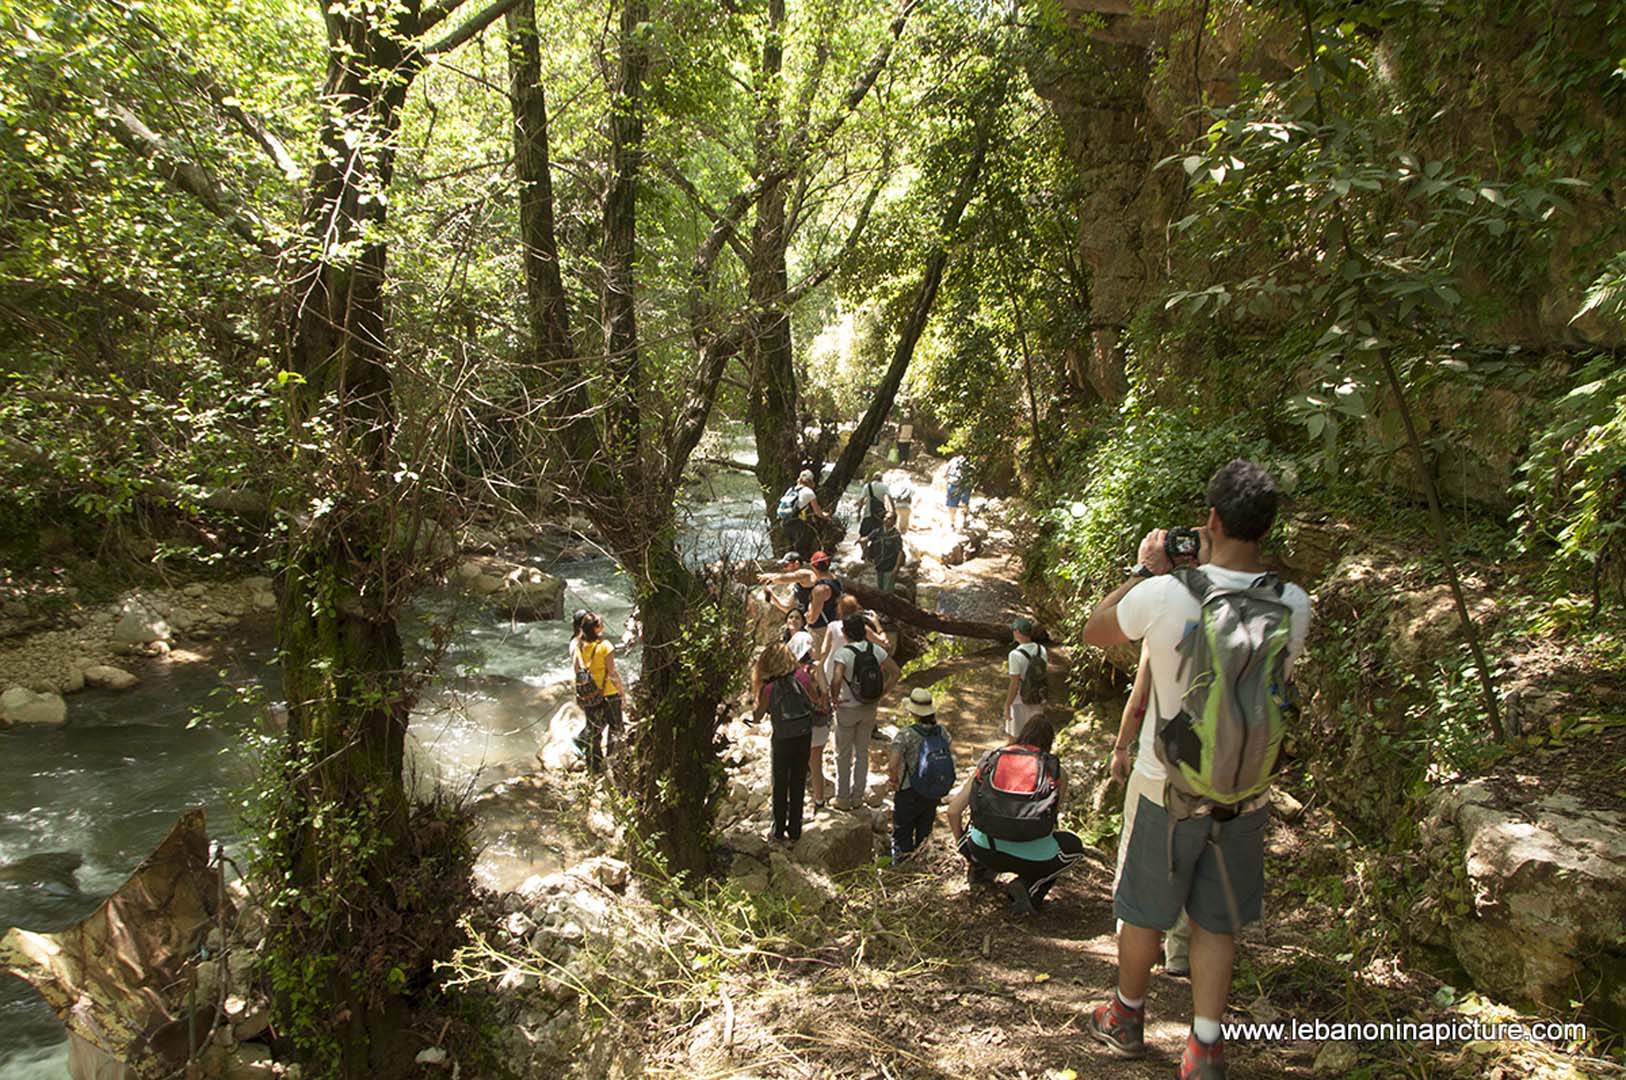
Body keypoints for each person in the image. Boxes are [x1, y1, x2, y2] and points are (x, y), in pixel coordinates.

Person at [1081, 459, 1311, 1080]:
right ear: (1267, 527)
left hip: (1167, 785)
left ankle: (1127, 1017)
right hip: (1245, 794)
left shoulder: (1169, 593)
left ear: (1210, 519)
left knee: (1144, 910)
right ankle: (1204, 1047)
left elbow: (1094, 631)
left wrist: (1146, 569)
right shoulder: (1293, 603)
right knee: (1216, 920)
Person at [948, 715, 1087, 914]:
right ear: (1049, 742)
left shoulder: (991, 761)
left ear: (1022, 735)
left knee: (977, 833)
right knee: (1074, 848)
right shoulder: (1056, 772)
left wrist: (964, 847)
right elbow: (1050, 821)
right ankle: (1028, 887)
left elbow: (953, 811)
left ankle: (980, 868)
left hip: (983, 849)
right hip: (1031, 858)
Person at [1117, 648, 1190, 977]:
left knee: (1136, 846)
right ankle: (1179, 951)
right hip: (1211, 772)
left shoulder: (1166, 611)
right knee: (1189, 857)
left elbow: (1140, 698)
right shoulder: (1246, 617)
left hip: (1155, 766)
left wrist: (1121, 747)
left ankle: (1131, 935)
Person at [828, 612, 901, 810]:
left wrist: (834, 699)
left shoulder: (843, 653)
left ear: (845, 633)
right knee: (862, 752)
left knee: (843, 754)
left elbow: (836, 679)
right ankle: (858, 797)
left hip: (847, 708)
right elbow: (896, 673)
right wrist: (882, 693)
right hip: (869, 707)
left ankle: (842, 798)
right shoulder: (875, 650)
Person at [750, 643, 822, 843]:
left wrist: (757, 695)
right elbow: (815, 702)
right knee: (798, 780)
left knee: (780, 782)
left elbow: (757, 717)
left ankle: (779, 829)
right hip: (803, 734)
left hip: (782, 737)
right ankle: (796, 829)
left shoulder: (769, 687)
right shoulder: (802, 678)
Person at [887, 688, 954, 864]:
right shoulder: (942, 732)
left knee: (902, 831)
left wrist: (893, 780)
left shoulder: (906, 734)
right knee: (925, 830)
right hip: (932, 789)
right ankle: (922, 863)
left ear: (912, 712)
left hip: (908, 789)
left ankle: (901, 868)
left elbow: (894, 762)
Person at [572, 611, 625, 775]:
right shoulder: (605, 646)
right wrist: (621, 692)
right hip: (609, 693)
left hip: (590, 695)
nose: (602, 626)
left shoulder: (578, 646)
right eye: (600, 624)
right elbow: (612, 672)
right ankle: (613, 764)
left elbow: (577, 671)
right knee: (616, 728)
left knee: (593, 730)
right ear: (595, 628)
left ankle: (594, 765)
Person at [821, 595, 890, 691]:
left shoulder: (832, 627)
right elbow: (884, 642)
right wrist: (876, 623)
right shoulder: (862, 627)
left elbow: (824, 651)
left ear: (839, 610)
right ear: (856, 609)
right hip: (853, 670)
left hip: (831, 668)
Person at [1003, 616, 1048, 741]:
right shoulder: (1042, 650)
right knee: (1035, 738)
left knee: (1014, 740)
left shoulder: (1015, 655)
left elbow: (1014, 683)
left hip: (1019, 702)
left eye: (1013, 630)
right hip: (1038, 698)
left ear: (1017, 632)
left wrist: (1007, 705)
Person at [777, 469, 827, 559]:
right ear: (811, 481)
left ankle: (788, 564)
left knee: (790, 547)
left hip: (785, 521)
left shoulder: (790, 489)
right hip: (797, 523)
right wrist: (825, 516)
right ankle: (798, 566)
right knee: (800, 548)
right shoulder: (809, 492)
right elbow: (817, 512)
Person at [803, 551, 843, 658]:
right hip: (836, 626)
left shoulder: (820, 590)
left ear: (813, 567)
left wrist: (807, 616)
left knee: (819, 663)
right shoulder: (836, 580)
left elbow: (813, 618)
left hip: (821, 631)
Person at [869, 512, 907, 593]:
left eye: (889, 518)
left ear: (894, 522)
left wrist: (896, 568)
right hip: (879, 566)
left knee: (887, 593)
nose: (886, 520)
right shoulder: (878, 531)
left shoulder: (895, 535)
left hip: (889, 568)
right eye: (885, 518)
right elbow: (867, 538)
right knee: (879, 591)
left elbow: (900, 552)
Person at [857, 470, 893, 542]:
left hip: (867, 515)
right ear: (881, 478)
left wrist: (858, 512)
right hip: (879, 516)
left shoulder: (867, 486)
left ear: (873, 478)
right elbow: (890, 498)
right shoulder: (884, 486)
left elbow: (861, 500)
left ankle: (865, 551)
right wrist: (893, 511)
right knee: (878, 537)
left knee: (862, 536)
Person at [945, 454, 971, 530]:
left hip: (953, 484)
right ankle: (964, 520)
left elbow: (945, 473)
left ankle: (952, 523)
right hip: (965, 485)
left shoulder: (953, 460)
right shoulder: (969, 462)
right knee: (965, 503)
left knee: (952, 505)